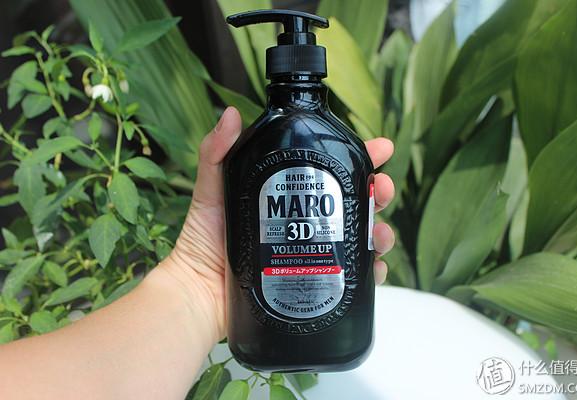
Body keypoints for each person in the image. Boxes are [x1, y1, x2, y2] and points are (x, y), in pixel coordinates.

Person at [0, 107, 396, 400]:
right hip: (257, 322)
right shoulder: (325, 144)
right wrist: (197, 278)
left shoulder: (336, 145)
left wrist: (193, 288)